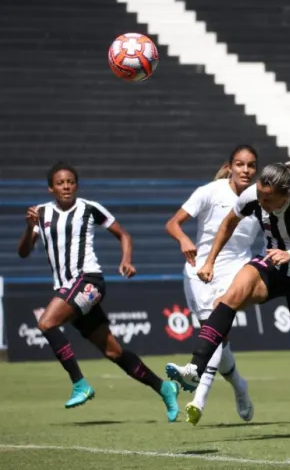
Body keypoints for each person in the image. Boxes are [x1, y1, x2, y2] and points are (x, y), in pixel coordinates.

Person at [167, 159, 290, 439]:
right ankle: (195, 369)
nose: (261, 203)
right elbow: (228, 223)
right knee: (228, 296)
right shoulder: (254, 195)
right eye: (259, 196)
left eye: (268, 200)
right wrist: (209, 261)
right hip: (273, 263)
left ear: (285, 195)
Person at [16, 162, 180, 421]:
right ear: (51, 188)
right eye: (60, 183)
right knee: (113, 351)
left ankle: (79, 383)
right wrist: (28, 227)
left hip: (88, 281)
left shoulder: (90, 208)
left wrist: (126, 259)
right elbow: (23, 252)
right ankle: (164, 387)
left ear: (76, 185)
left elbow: (124, 234)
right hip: (66, 288)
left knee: (46, 323)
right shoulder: (41, 214)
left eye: (70, 181)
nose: (66, 186)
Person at [164, 145, 261, 426]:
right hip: (199, 272)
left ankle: (199, 400)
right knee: (219, 338)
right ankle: (239, 386)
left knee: (214, 333)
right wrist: (183, 239)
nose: (245, 170)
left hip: (236, 273)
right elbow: (173, 223)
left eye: (251, 165)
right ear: (230, 166)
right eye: (240, 164)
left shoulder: (260, 200)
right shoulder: (211, 191)